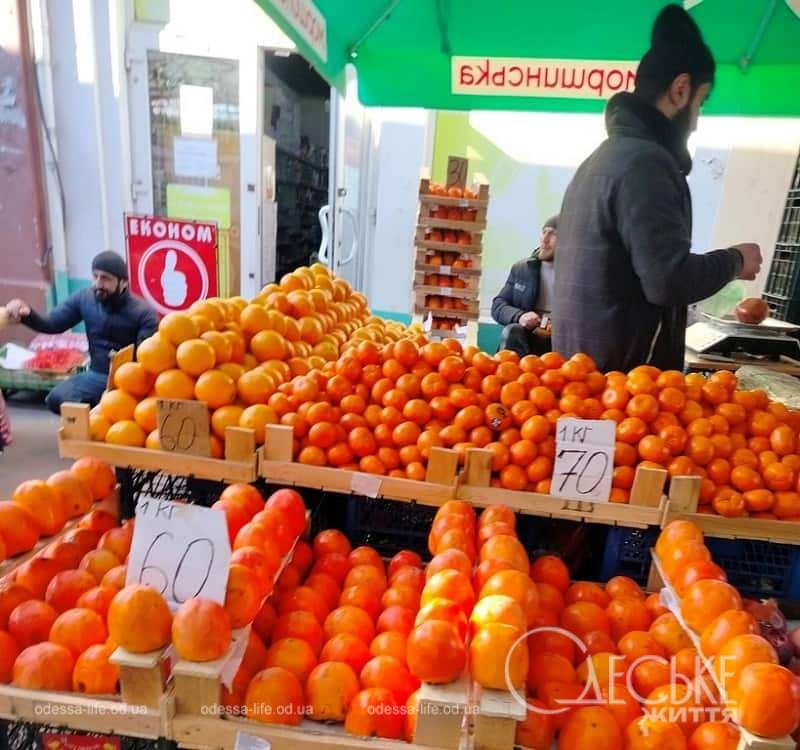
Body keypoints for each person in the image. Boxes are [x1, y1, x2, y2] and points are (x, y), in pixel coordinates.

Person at [553, 5, 762, 373]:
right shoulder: (646, 164)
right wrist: (736, 260)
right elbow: (669, 280)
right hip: (628, 397)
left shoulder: (600, 160)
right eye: (701, 102)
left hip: (586, 383)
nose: (696, 121)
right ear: (680, 89)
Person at [5, 251, 158, 414]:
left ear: (123, 283)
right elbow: (52, 324)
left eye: (105, 278)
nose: (98, 283)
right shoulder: (85, 299)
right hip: (96, 374)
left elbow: (146, 362)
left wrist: (121, 391)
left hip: (129, 380)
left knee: (129, 411)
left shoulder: (144, 314)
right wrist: (26, 313)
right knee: (56, 398)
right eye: (95, 276)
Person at [492, 215, 558, 356]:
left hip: (558, 349)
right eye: (544, 232)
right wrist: (519, 316)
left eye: (553, 234)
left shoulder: (577, 275)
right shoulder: (522, 269)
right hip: (524, 344)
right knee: (513, 331)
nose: (544, 239)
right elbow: (498, 306)